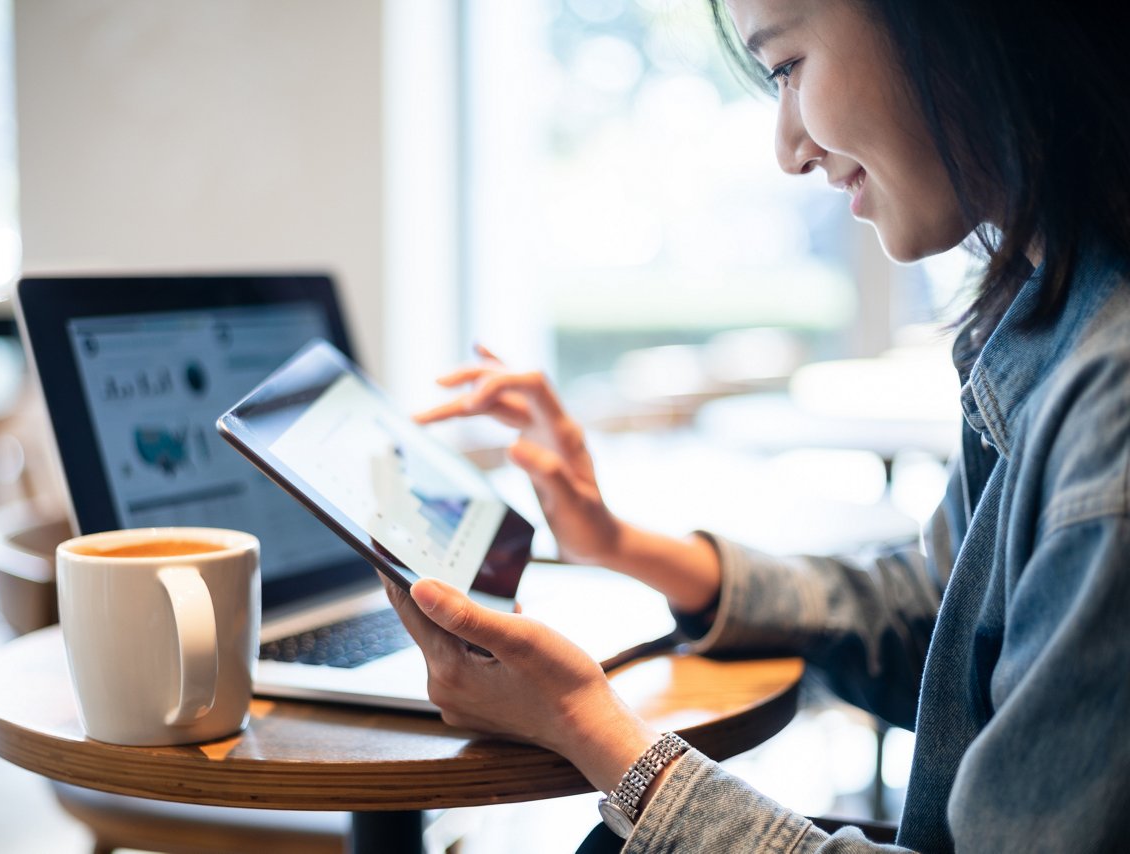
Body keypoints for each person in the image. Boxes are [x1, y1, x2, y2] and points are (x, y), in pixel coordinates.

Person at [382, 0, 1130, 850]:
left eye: (787, 67)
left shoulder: (1110, 410)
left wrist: (588, 727)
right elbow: (942, 626)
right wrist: (618, 543)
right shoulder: (1049, 318)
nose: (788, 148)